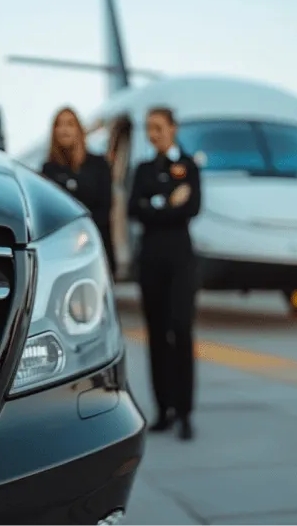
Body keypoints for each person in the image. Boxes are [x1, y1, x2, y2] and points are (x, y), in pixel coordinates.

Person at [127, 106, 202, 441]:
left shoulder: (188, 167)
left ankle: (185, 411)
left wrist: (154, 205)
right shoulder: (143, 169)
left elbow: (192, 207)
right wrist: (167, 203)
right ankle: (163, 409)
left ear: (173, 128)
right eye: (148, 128)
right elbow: (134, 209)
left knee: (181, 332)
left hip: (180, 262)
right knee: (156, 335)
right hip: (151, 262)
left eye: (158, 127)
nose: (152, 134)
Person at [41, 107, 116, 273]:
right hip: (62, 251)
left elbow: (105, 207)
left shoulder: (98, 164)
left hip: (96, 247)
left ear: (79, 129)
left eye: (70, 124)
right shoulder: (48, 170)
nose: (64, 129)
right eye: (59, 125)